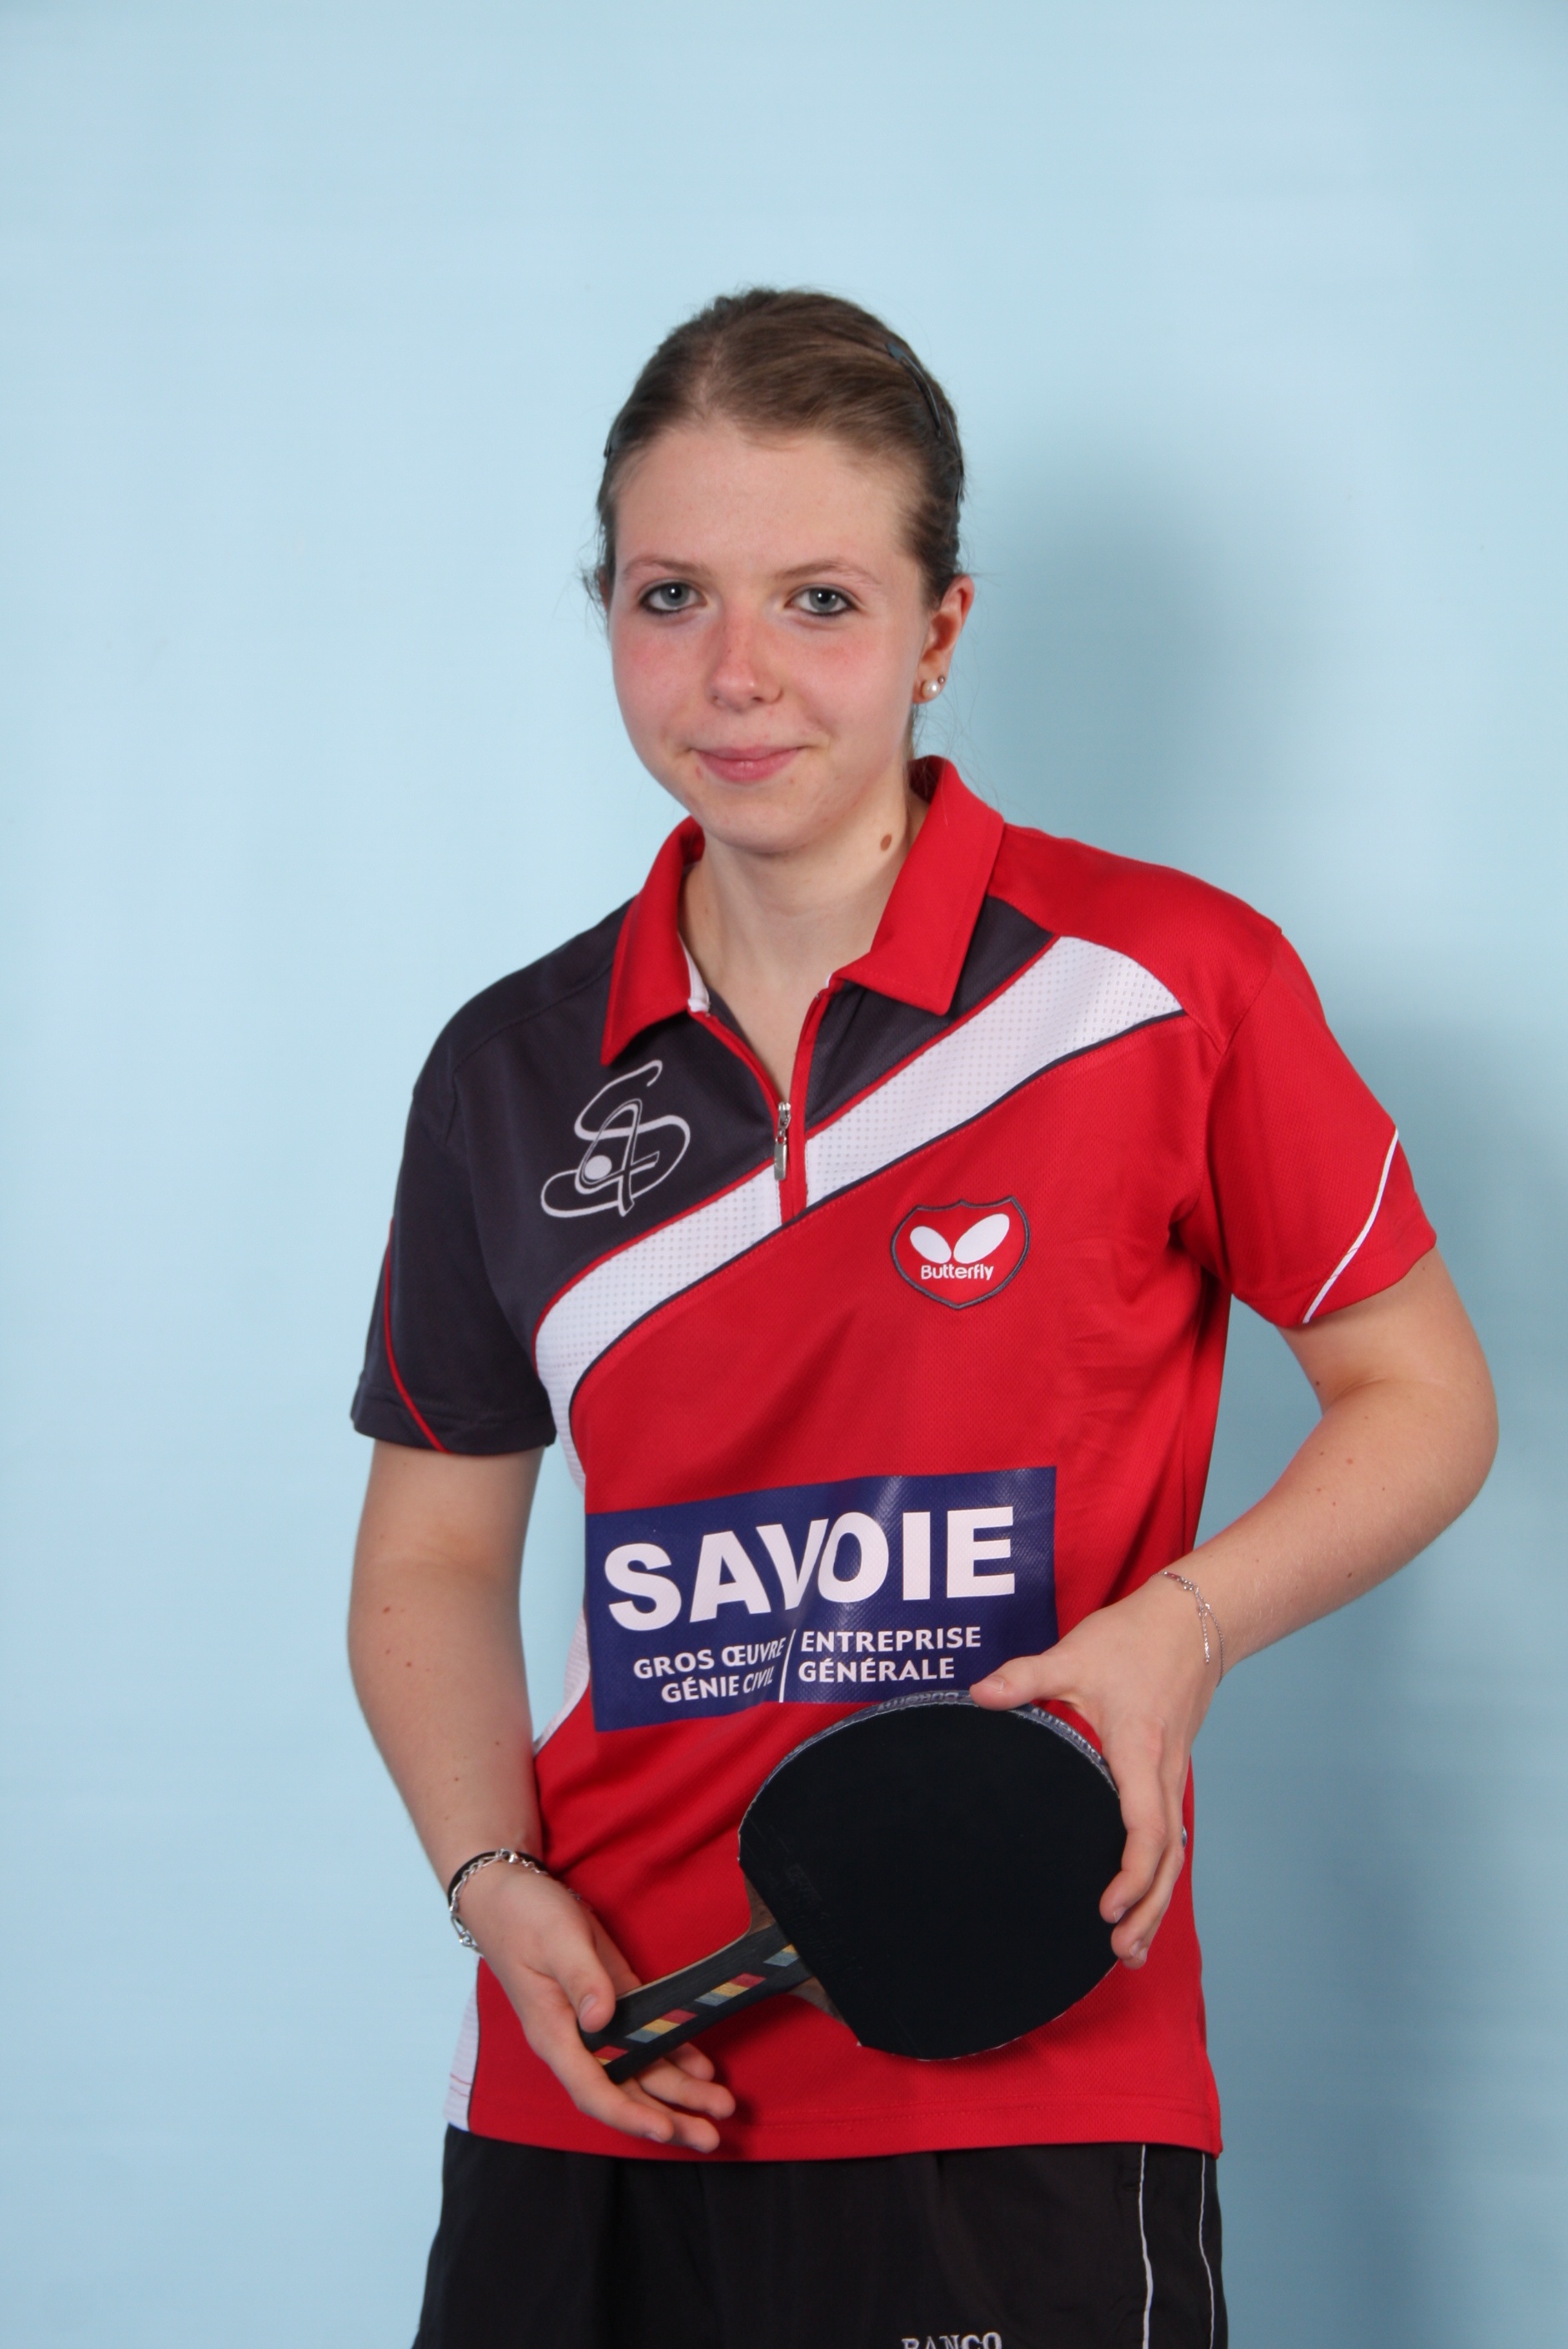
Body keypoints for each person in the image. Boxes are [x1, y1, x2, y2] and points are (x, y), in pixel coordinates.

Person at [348, 289, 1496, 2349]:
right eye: (671, 595)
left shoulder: (1166, 983)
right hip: (603, 2056)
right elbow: (429, 1551)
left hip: (1026, 2064)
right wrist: (487, 1881)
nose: (737, 673)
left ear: (940, 628)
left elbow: (1420, 1394)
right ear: (605, 611)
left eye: (819, 599)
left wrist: (1180, 1627)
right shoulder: (506, 1069)